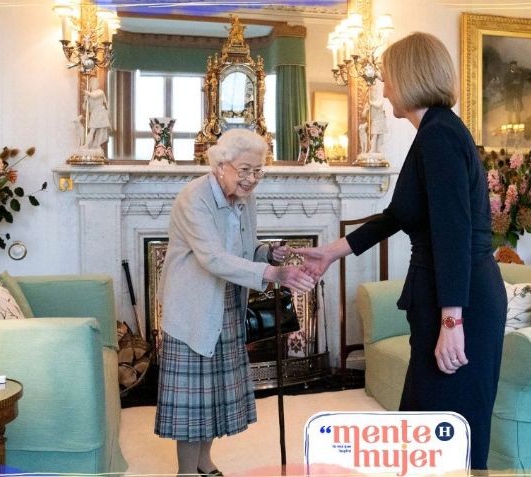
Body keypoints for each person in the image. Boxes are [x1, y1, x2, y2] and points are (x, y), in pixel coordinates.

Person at [296, 32, 506, 471]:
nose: (385, 87)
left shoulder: (439, 135)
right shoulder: (434, 131)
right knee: (429, 426)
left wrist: (452, 320)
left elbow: (453, 232)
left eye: (388, 77)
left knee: (447, 428)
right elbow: (398, 214)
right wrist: (332, 252)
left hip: (457, 297)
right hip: (445, 293)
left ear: (410, 77)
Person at [154, 128, 315, 476]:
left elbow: (242, 250)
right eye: (244, 170)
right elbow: (211, 257)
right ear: (221, 165)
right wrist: (273, 274)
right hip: (193, 305)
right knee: (194, 399)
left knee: (215, 392)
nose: (251, 179)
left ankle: (204, 462)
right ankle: (186, 471)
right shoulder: (193, 198)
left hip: (228, 300)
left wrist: (268, 252)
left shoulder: (245, 199)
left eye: (258, 171)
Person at [84, 77, 111, 150]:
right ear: (90, 85)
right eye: (93, 83)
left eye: (96, 83)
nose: (95, 84)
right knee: (92, 130)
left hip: (101, 112)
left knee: (102, 129)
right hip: (94, 113)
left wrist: (88, 93)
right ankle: (86, 145)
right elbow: (84, 107)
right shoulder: (89, 94)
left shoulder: (100, 92)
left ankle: (97, 145)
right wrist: (85, 100)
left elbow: (95, 96)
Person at [503, 60, 525, 124]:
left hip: (517, 95)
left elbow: (522, 85)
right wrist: (513, 83)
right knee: (510, 111)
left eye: (515, 66)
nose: (514, 67)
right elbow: (505, 85)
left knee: (517, 111)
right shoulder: (506, 75)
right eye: (512, 66)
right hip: (510, 95)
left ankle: (518, 124)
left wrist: (520, 86)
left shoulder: (519, 74)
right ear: (510, 66)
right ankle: (510, 125)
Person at [367, 87, 387, 154]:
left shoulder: (379, 101)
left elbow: (378, 105)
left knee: (380, 136)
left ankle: (378, 149)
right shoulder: (369, 103)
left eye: (374, 92)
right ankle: (372, 149)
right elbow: (364, 114)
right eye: (372, 93)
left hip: (381, 120)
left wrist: (370, 102)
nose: (373, 94)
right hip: (375, 120)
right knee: (374, 135)